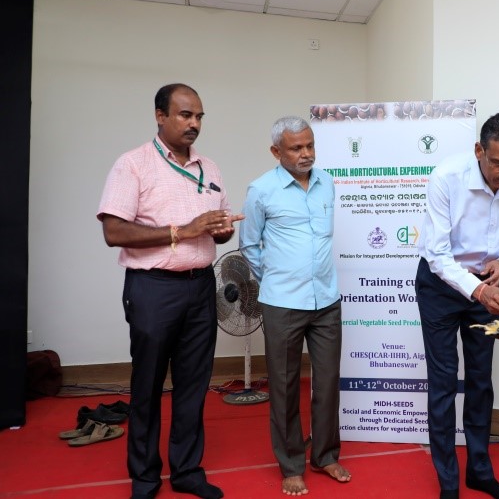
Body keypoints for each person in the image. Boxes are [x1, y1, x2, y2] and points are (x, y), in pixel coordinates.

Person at [98, 83, 243, 499]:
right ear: (160, 116)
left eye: (199, 116)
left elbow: (214, 235)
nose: (194, 123)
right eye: (185, 115)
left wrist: (220, 229)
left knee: (194, 384)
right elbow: (114, 231)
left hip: (200, 288)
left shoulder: (209, 168)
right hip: (153, 288)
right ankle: (144, 478)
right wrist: (185, 229)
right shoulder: (133, 165)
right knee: (147, 386)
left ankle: (186, 471)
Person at [415, 111, 499, 499]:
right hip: (440, 286)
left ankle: (479, 470)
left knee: (481, 382)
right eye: (498, 162)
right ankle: (448, 482)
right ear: (478, 151)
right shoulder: (446, 178)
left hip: (489, 284)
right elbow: (437, 255)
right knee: (442, 384)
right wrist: (478, 290)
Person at [239, 116, 349, 496]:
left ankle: (325, 454)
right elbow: (250, 245)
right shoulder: (261, 190)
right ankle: (290, 464)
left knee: (328, 382)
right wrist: (276, 277)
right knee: (285, 387)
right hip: (283, 303)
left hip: (326, 301)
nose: (305, 154)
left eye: (309, 145)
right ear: (276, 152)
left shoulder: (327, 183)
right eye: (296, 148)